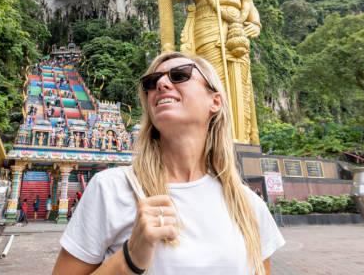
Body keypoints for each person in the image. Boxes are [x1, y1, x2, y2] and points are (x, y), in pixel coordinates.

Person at [53, 52, 284, 274]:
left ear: (215, 101)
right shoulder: (111, 188)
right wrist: (131, 256)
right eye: (151, 82)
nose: (162, 83)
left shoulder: (248, 206)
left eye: (180, 74)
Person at [161, 0, 261, 144]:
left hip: (236, 27)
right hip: (208, 23)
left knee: (242, 85)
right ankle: (216, 140)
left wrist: (253, 22)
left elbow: (249, 3)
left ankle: (242, 139)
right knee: (212, 83)